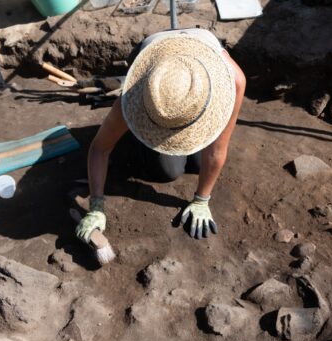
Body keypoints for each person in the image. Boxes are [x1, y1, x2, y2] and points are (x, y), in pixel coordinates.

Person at [76, 28, 246, 242]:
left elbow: (218, 150)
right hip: (152, 52)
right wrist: (96, 207)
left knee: (200, 163)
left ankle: (177, 134)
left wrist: (201, 199)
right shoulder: (133, 97)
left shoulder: (232, 82)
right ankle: (137, 138)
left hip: (200, 45)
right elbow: (99, 149)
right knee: (168, 171)